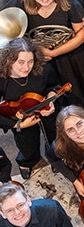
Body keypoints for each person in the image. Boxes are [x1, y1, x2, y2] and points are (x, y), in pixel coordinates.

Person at [10, 0, 84, 109]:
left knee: (79, 94)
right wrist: (37, 52)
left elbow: (82, 35)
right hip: (39, 54)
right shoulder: (20, 1)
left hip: (71, 54)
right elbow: (9, 28)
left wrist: (53, 53)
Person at [0, 39, 60, 179]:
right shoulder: (2, 78)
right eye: (20, 62)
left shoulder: (43, 68)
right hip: (19, 116)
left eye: (30, 61)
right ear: (9, 60)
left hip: (44, 109)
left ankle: (54, 157)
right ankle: (27, 161)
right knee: (27, 144)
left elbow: (54, 85)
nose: (26, 67)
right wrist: (18, 124)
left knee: (53, 135)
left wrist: (51, 98)